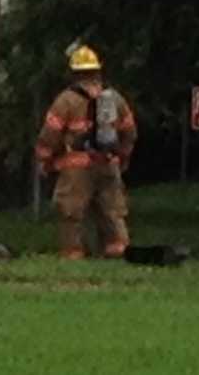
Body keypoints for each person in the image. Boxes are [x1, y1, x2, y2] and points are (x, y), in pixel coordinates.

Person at [34, 45, 137, 260]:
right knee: (112, 212)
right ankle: (118, 251)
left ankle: (74, 254)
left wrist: (44, 159)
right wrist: (123, 157)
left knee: (71, 213)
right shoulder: (115, 99)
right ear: (97, 71)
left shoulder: (66, 100)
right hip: (108, 163)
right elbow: (129, 131)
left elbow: (50, 133)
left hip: (76, 169)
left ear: (74, 73)